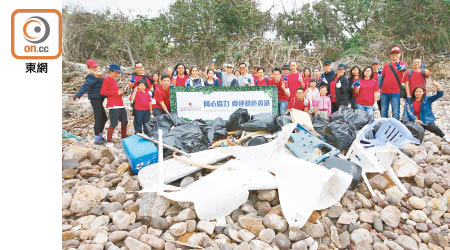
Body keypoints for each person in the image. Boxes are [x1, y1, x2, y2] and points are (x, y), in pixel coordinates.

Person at [73, 59, 107, 145]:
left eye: (96, 66)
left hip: (100, 99)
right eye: (93, 67)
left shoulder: (99, 75)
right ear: (90, 68)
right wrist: (78, 95)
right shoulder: (91, 76)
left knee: (104, 118)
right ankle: (97, 139)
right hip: (95, 99)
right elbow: (85, 86)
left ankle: (100, 136)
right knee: (98, 118)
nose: (96, 68)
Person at [100, 64, 128, 142]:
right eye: (116, 72)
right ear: (111, 71)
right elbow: (103, 92)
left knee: (125, 121)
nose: (117, 74)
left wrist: (120, 93)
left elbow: (114, 92)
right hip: (113, 105)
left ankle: (124, 136)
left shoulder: (113, 80)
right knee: (114, 123)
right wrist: (116, 92)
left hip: (120, 104)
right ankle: (109, 140)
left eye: (118, 73)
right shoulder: (107, 79)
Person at [379, 47, 408, 120]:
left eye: (396, 53)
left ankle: (395, 128)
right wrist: (379, 89)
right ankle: (384, 127)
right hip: (384, 92)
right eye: (393, 53)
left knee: (395, 112)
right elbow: (382, 78)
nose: (394, 55)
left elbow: (404, 67)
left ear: (400, 54)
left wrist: (401, 67)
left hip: (395, 92)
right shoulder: (386, 66)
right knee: (383, 111)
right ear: (390, 55)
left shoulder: (402, 64)